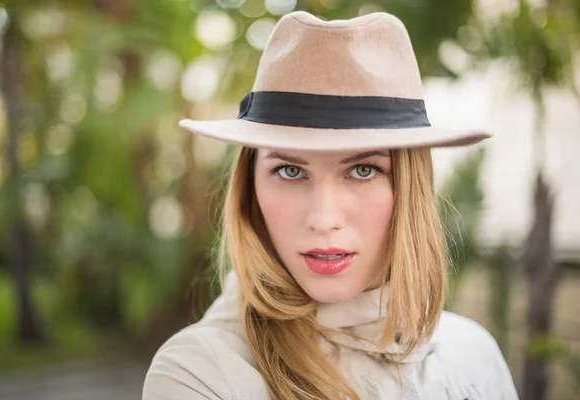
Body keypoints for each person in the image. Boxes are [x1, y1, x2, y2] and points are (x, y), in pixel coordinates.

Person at [142, 10, 519, 400]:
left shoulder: (473, 357)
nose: (323, 219)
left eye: (363, 170)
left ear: (411, 188)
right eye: (290, 170)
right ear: (249, 187)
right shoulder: (199, 373)